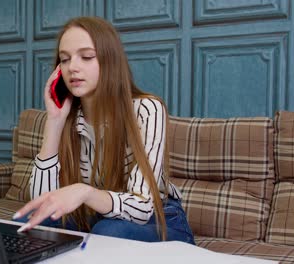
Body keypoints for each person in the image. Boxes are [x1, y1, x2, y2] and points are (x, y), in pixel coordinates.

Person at [13, 16, 194, 244]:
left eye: (86, 57)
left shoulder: (147, 110)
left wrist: (84, 192)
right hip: (98, 218)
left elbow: (142, 208)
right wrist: (54, 120)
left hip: (158, 220)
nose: (73, 68)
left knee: (109, 232)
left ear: (110, 61)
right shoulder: (68, 117)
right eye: (65, 60)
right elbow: (42, 204)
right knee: (26, 226)